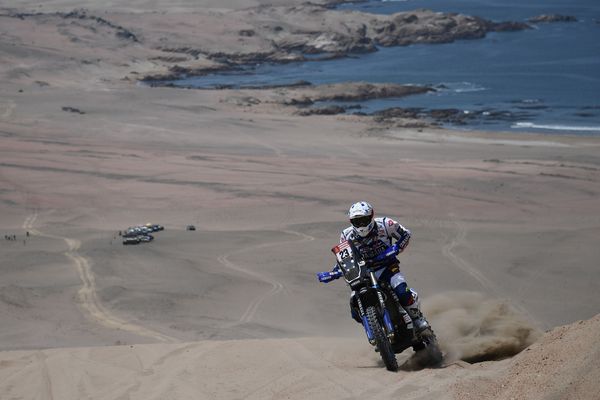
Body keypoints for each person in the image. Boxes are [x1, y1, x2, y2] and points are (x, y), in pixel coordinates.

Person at [334, 201, 429, 332]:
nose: (361, 225)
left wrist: (396, 248)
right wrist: (334, 271)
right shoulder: (346, 235)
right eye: (357, 221)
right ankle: (376, 329)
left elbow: (406, 234)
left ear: (371, 216)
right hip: (364, 274)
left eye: (364, 220)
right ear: (351, 221)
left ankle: (417, 318)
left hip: (388, 267)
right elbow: (344, 258)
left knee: (401, 290)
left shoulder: (385, 224)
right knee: (354, 307)